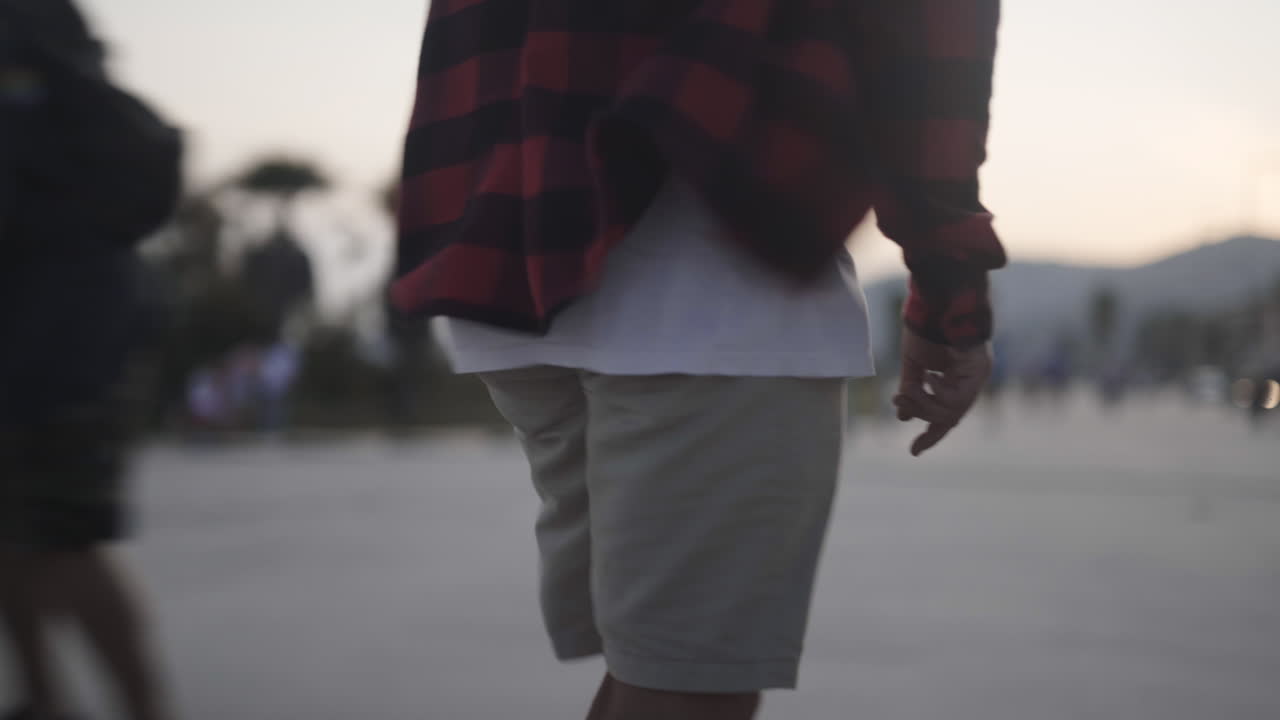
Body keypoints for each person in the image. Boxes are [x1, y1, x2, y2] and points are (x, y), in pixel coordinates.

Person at [393, 1, 1006, 718]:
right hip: (718, 266)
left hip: (518, 236)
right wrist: (947, 279)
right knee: (682, 684)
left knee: (652, 671)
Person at [0, 2, 181, 719]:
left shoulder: (25, 42)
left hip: (54, 336)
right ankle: (43, 695)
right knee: (20, 531)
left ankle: (141, 708)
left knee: (65, 536)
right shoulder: (42, 38)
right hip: (61, 320)